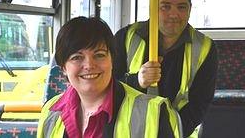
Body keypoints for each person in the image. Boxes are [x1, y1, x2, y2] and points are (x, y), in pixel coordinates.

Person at [37, 17, 182, 138]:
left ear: (112, 60)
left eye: (99, 55)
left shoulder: (155, 112)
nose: (89, 65)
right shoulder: (50, 112)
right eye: (77, 57)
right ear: (63, 67)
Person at [114, 0, 218, 137]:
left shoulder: (206, 48)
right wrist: (137, 81)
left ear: (189, 9)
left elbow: (199, 104)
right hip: (128, 130)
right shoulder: (126, 37)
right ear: (152, 7)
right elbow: (109, 87)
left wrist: (168, 132)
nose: (174, 15)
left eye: (181, 7)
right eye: (165, 6)